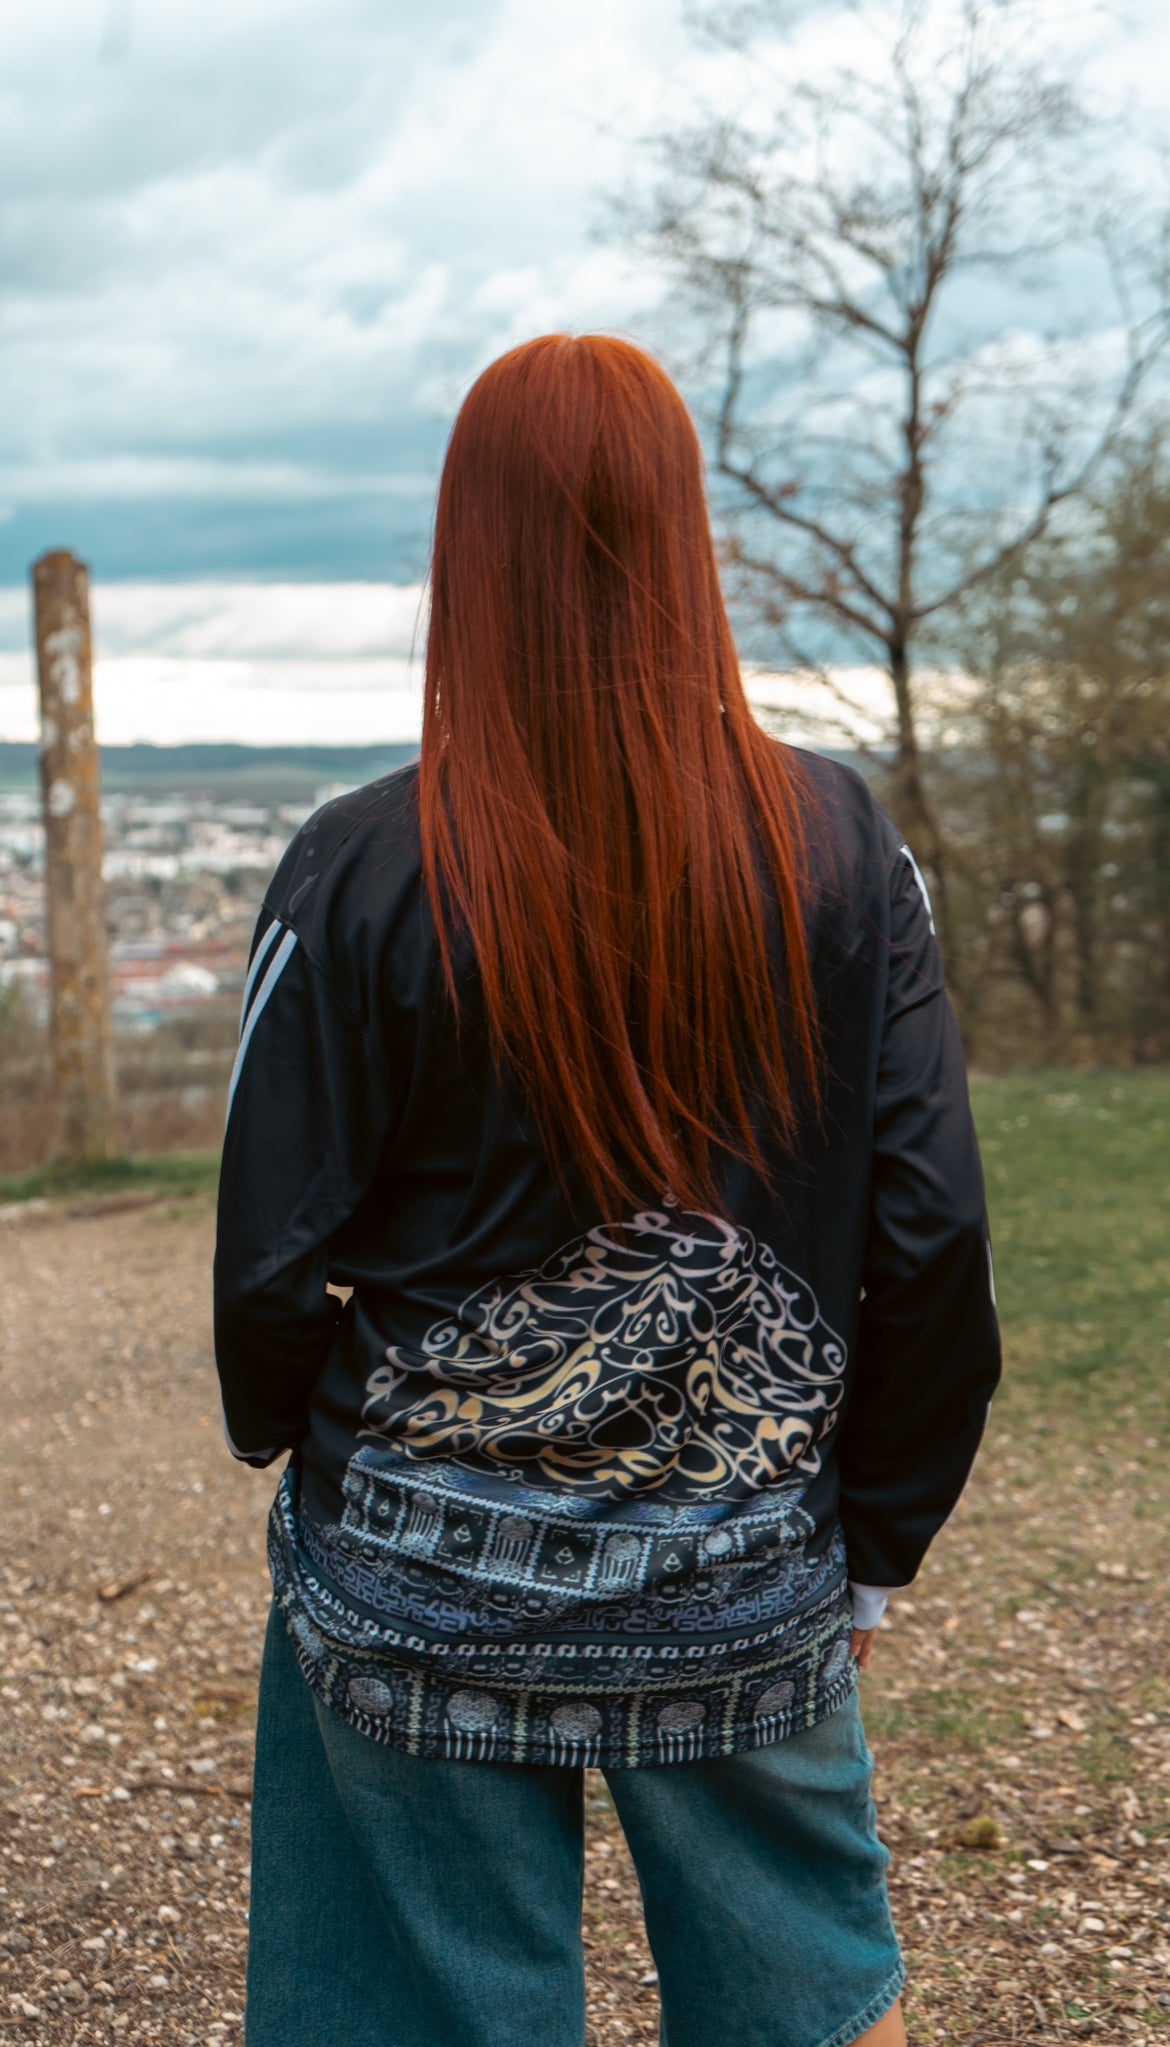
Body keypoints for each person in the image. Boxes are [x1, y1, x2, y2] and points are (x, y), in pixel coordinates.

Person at [214, 333, 1001, 2047]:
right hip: (745, 1573)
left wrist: (290, 1433)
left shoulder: (354, 864)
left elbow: (270, 1258)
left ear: (467, 548)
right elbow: (932, 1237)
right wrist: (871, 1547)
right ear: (682, 535)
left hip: (410, 1583)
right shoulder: (838, 846)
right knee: (805, 1999)